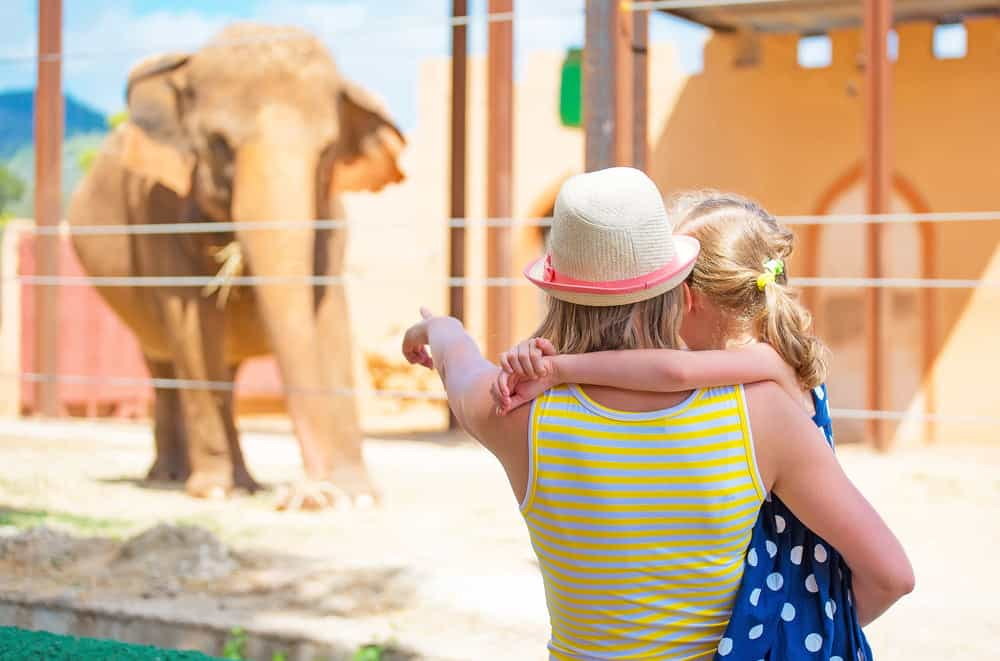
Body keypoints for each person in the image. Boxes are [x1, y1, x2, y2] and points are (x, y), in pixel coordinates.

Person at [402, 168, 913, 661]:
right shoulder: (763, 411)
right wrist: (799, 632)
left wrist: (439, 329)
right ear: (676, 288)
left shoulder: (513, 408)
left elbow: (459, 366)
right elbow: (892, 575)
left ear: (554, 285)